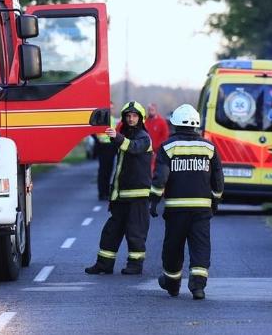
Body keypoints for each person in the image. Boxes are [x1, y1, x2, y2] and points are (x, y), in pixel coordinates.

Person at [149, 104, 224, 300]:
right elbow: (218, 179)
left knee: (173, 247)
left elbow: (160, 178)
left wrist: (154, 200)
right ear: (196, 124)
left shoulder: (167, 147)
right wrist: (215, 201)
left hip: (176, 209)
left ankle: (172, 284)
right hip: (201, 209)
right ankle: (197, 286)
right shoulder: (210, 147)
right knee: (200, 247)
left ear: (174, 124)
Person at [85, 101, 153, 275]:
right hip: (122, 195)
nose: (131, 119)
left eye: (134, 116)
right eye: (128, 116)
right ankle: (104, 264)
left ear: (141, 118)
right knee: (111, 231)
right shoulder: (125, 134)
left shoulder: (144, 137)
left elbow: (133, 148)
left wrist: (117, 137)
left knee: (135, 232)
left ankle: (135, 265)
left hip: (138, 196)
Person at [94, 101, 118, 201]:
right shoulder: (101, 118)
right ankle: (101, 192)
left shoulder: (112, 119)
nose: (111, 110)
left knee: (109, 170)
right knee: (103, 170)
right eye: (110, 108)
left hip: (111, 147)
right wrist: (98, 141)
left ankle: (106, 192)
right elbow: (94, 132)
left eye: (112, 108)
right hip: (103, 146)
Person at [145, 103, 171, 172]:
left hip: (157, 152)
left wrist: (157, 149)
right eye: (149, 110)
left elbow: (165, 137)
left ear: (156, 110)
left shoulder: (162, 122)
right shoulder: (145, 121)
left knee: (155, 169)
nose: (151, 111)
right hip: (146, 151)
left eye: (152, 109)